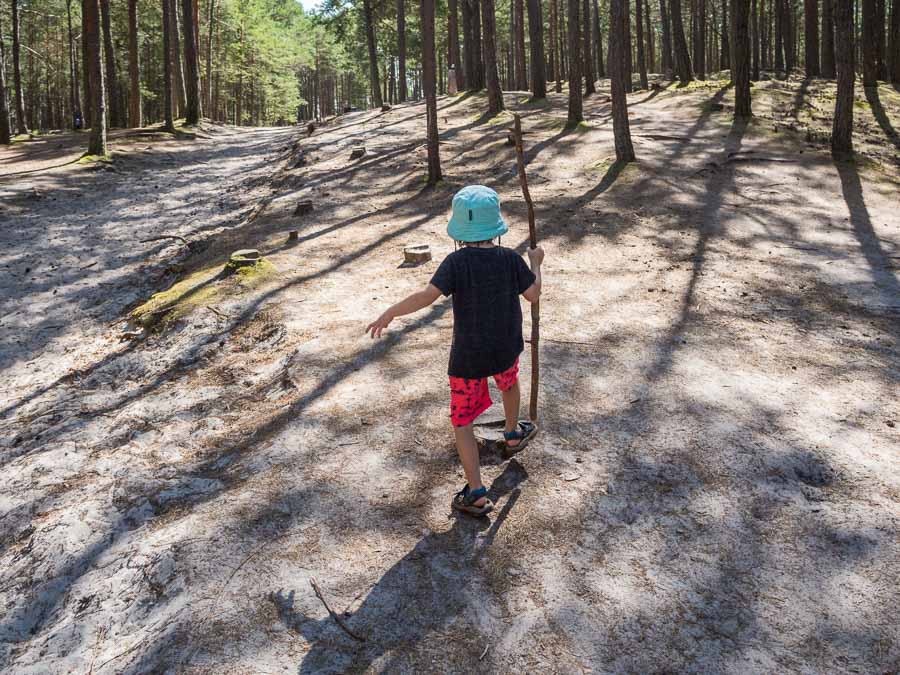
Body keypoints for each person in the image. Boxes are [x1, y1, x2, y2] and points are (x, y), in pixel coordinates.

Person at [366, 185, 543, 516]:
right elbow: (533, 294)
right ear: (496, 227)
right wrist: (537, 263)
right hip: (505, 345)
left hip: (468, 357)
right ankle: (512, 432)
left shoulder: (456, 262)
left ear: (459, 231)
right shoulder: (510, 259)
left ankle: (476, 491)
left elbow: (426, 296)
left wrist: (391, 311)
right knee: (509, 380)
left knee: (463, 420)